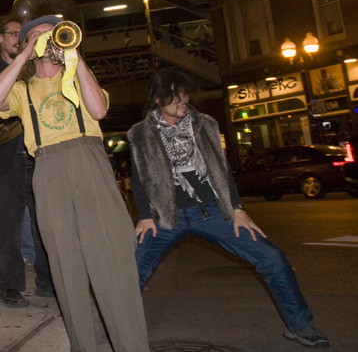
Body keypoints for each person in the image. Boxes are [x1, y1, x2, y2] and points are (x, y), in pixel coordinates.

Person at [128, 68, 330, 348]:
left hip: (211, 211)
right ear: (158, 99)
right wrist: (145, 216)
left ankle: (300, 325)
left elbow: (222, 171)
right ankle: (119, 333)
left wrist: (237, 209)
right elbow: (140, 178)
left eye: (184, 94)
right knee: (130, 274)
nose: (183, 100)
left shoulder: (205, 124)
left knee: (272, 258)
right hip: (165, 217)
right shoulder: (141, 134)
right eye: (175, 96)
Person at [0, 15, 148, 351]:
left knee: (112, 260)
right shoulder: (22, 88)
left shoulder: (77, 76)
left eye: (54, 34)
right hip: (46, 167)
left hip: (89, 160)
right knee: (65, 264)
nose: (50, 40)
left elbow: (99, 110)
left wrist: (74, 54)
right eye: (41, 36)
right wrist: (25, 53)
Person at [0, 17, 53, 308]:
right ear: (0, 38)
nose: (19, 39)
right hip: (9, 161)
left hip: (40, 157)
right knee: (8, 228)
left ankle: (47, 283)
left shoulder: (38, 72)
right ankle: (8, 286)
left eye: (24, 35)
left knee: (44, 226)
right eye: (14, 34)